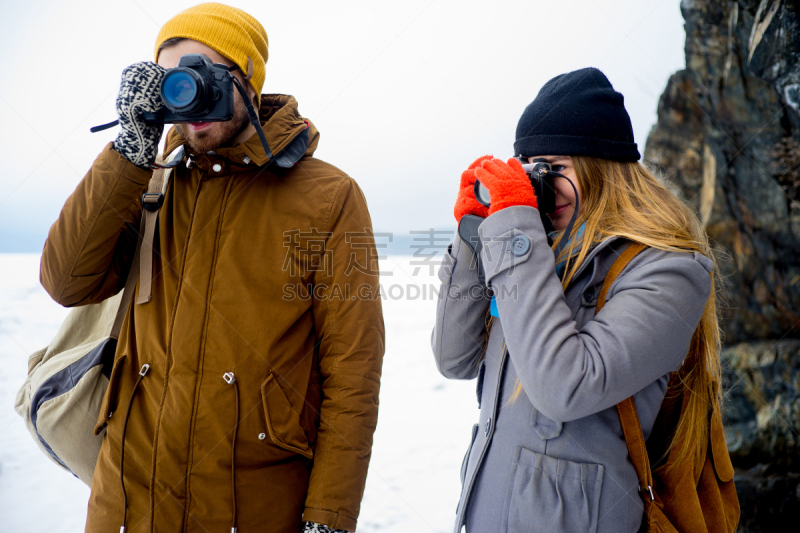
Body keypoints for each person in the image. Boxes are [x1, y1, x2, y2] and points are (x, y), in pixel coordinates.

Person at [40, 4, 384, 533]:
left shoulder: (329, 197)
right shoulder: (148, 179)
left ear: (247, 79)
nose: (189, 96)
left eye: (205, 74)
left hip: (255, 503)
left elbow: (353, 369)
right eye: (173, 80)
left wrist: (329, 516)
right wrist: (130, 148)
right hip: (128, 504)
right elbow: (67, 281)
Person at [432, 67, 722, 533]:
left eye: (554, 168)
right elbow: (453, 358)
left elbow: (565, 388)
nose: (538, 187)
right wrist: (473, 235)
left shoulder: (669, 270)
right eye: (529, 170)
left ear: (602, 166)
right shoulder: (533, 249)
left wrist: (514, 233)